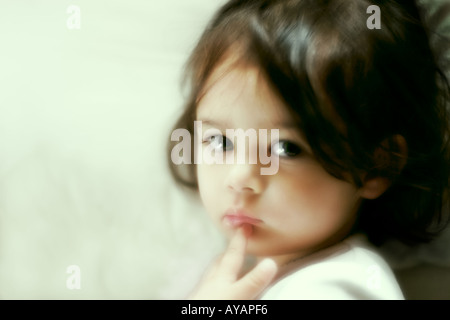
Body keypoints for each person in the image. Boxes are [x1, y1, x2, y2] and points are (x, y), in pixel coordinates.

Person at [167, 0, 450, 299]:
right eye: (220, 142)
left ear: (376, 166)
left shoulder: (337, 287)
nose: (239, 178)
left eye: (286, 148)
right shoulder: (244, 269)